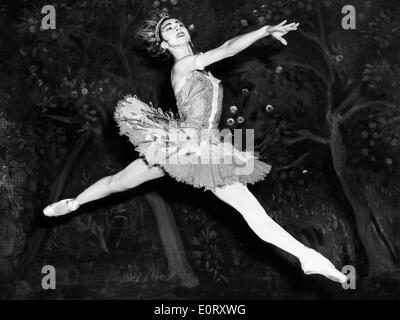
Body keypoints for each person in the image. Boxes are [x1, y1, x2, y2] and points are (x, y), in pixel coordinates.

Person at [43, 8, 347, 284]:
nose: (175, 27)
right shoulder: (185, 65)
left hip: (204, 146)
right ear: (163, 45)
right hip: (183, 144)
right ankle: (75, 203)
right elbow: (228, 49)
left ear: (186, 31)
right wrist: (263, 30)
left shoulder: (201, 70)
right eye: (168, 29)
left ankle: (308, 257)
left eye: (177, 24)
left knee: (249, 211)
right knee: (120, 182)